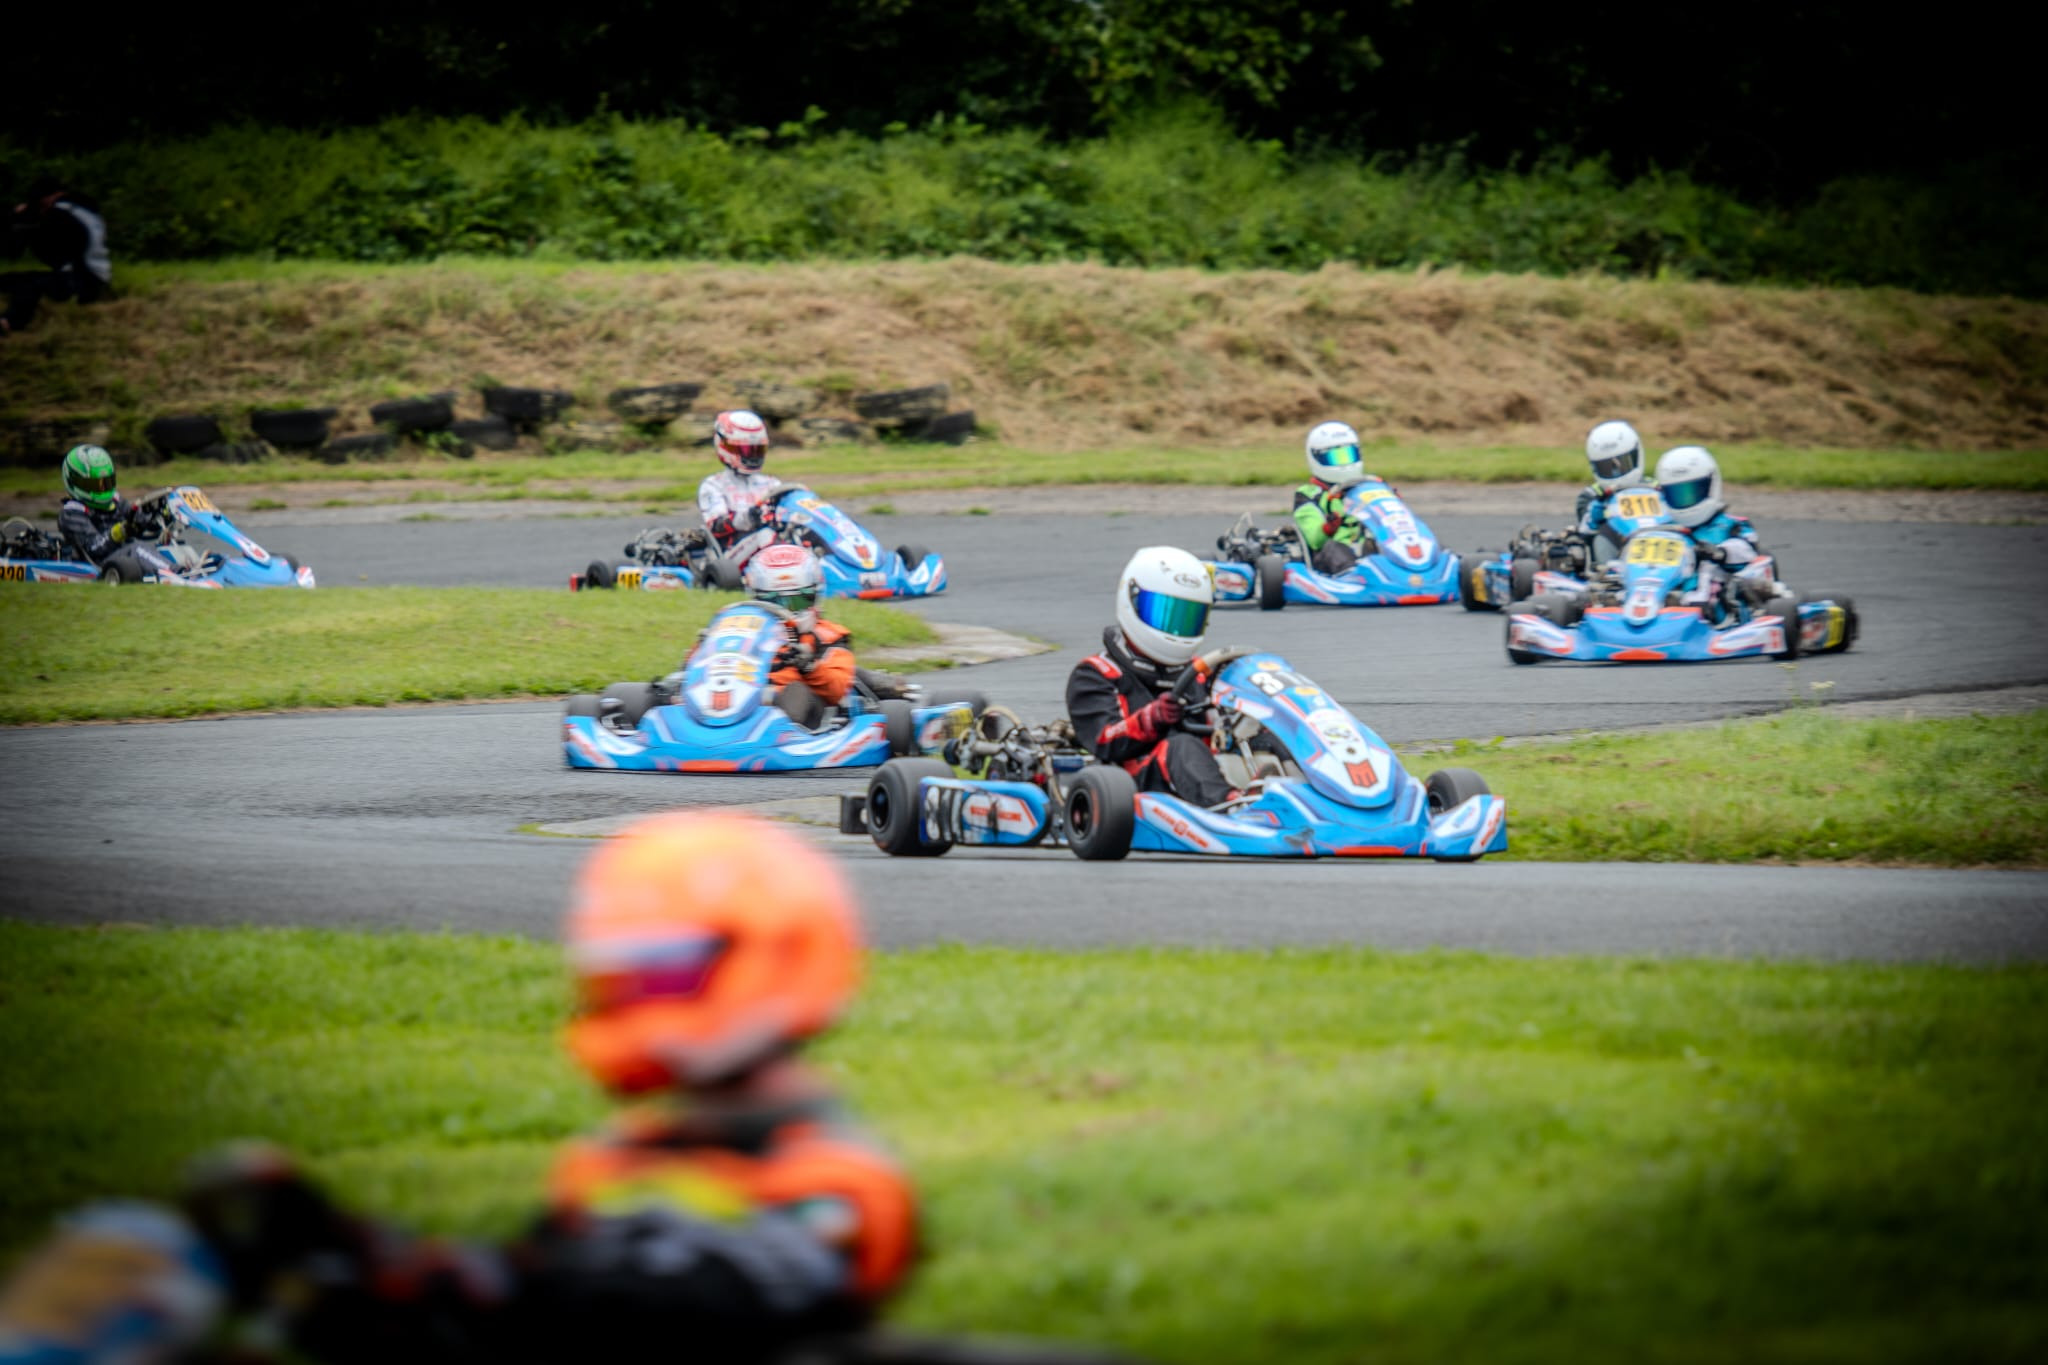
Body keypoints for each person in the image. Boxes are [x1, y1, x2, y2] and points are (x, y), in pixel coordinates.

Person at [0, 813, 918, 1365]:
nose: (638, 999)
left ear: (770, 956)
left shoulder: (838, 1183)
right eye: (621, 977)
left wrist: (428, 1283)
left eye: (665, 972)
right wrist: (354, 1257)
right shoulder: (617, 1160)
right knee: (141, 1238)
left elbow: (668, 1304)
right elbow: (531, 1295)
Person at [1066, 545, 1237, 809]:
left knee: (1266, 735)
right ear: (1132, 601)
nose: (1175, 629)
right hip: (1134, 785)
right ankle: (1231, 808)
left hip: (1208, 770)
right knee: (1181, 746)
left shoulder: (1204, 671)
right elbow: (1104, 739)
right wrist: (1152, 718)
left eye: (1186, 617)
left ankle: (1294, 794)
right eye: (1164, 613)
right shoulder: (1095, 673)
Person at [740, 544, 857, 725]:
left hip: (803, 711)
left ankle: (778, 733)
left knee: (796, 690)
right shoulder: (743, 631)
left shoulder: (828, 636)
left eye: (797, 602)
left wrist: (809, 666)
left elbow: (838, 689)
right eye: (773, 602)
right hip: (745, 698)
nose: (785, 611)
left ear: (814, 596)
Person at [1654, 445, 1769, 620]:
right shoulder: (1664, 530)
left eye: (1692, 492)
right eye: (1677, 494)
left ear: (1711, 486)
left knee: (1709, 569)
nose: (1685, 500)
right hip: (1669, 592)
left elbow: (1747, 551)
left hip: (1715, 598)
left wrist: (1720, 553)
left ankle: (1698, 610)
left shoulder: (1732, 525)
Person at [2, 179, 112, 337]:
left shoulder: (61, 213)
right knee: (19, 279)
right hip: (93, 278)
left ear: (49, 198)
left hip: (83, 281)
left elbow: (30, 239)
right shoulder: (84, 211)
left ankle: (9, 322)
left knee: (29, 285)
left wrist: (16, 216)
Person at [697, 410, 781, 567]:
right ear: (725, 447)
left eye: (757, 450)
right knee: (766, 535)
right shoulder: (713, 485)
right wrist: (747, 518)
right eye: (747, 451)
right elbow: (716, 526)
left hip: (768, 549)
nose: (753, 456)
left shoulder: (772, 484)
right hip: (730, 557)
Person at [1290, 421, 1373, 575]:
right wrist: (1328, 528)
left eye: (1349, 455)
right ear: (1317, 458)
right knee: (1333, 547)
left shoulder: (1367, 489)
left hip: (1366, 551)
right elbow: (1315, 540)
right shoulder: (1308, 495)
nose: (1345, 464)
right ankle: (1352, 575)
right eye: (1336, 457)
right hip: (1328, 559)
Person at [55, 444, 150, 567]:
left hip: (125, 557)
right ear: (74, 482)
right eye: (95, 485)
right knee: (137, 549)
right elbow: (93, 547)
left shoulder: (116, 501)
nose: (102, 489)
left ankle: (172, 571)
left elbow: (139, 519)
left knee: (157, 547)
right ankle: (173, 572)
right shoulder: (71, 513)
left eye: (106, 483)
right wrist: (118, 532)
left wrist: (153, 515)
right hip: (99, 564)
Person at [1574, 420, 1648, 551]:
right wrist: (1594, 518)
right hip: (1614, 556)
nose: (1616, 472)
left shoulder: (1654, 488)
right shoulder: (1591, 496)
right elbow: (1585, 535)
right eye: (1607, 467)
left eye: (1623, 463)